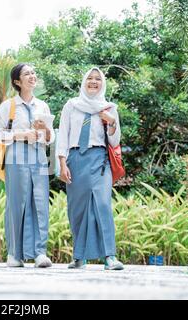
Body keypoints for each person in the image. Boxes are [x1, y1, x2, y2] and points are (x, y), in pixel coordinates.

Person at [56, 67, 124, 270]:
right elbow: (63, 135)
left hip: (100, 159)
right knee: (77, 209)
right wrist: (61, 163)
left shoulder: (109, 108)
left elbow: (115, 140)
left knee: (102, 205)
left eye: (98, 79)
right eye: (90, 79)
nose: (94, 82)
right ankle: (79, 257)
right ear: (84, 82)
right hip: (75, 158)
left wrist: (111, 123)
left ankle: (109, 257)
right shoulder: (71, 105)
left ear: (102, 83)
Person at [0, 63, 55, 268]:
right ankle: (14, 254)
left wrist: (44, 131)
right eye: (27, 74)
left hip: (38, 155)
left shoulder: (42, 106)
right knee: (16, 202)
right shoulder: (8, 106)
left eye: (33, 73)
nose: (32, 76)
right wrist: (20, 134)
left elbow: (50, 137)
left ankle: (39, 253)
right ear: (17, 82)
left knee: (40, 202)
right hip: (16, 154)